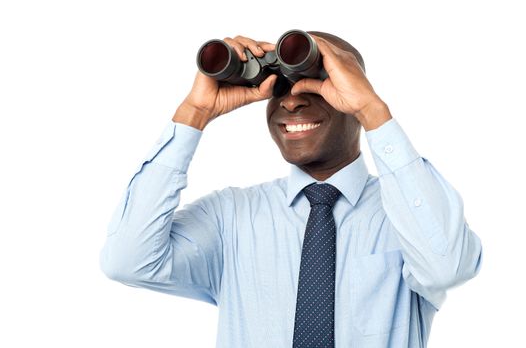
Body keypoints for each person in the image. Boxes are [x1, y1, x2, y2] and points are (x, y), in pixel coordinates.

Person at [100, 31, 483, 347]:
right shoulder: (232, 217)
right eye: (279, 86)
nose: (293, 99)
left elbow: (448, 267)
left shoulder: (404, 213)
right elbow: (127, 260)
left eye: (317, 83)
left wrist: (372, 111)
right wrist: (194, 113)